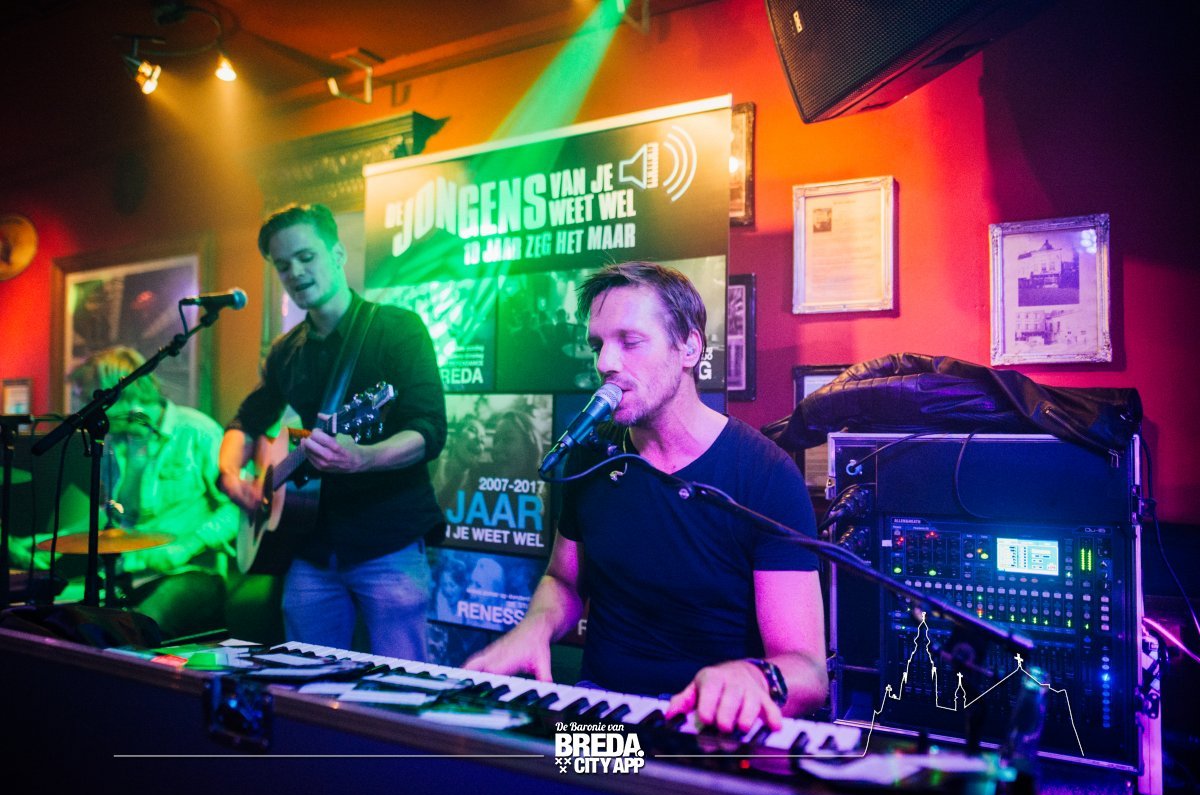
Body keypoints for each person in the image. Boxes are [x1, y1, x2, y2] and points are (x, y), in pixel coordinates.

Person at [465, 261, 828, 734]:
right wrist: (536, 626)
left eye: (630, 341)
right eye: (597, 345)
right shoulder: (592, 456)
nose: (604, 363)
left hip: (707, 729)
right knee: (509, 768)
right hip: (601, 716)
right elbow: (564, 580)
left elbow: (808, 670)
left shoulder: (765, 474)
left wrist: (754, 677)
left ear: (689, 348)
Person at [218, 203, 447, 660]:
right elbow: (246, 420)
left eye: (306, 257)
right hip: (309, 548)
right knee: (305, 681)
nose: (295, 272)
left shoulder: (397, 328)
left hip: (388, 541)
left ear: (338, 254)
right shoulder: (286, 351)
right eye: (283, 265)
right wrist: (229, 475)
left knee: (401, 681)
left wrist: (363, 457)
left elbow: (428, 429)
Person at [50, 347, 238, 640]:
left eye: (88, 399)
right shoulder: (113, 443)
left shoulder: (196, 431)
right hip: (129, 574)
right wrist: (50, 542)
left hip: (190, 573)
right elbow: (111, 516)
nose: (84, 410)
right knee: (65, 622)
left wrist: (188, 545)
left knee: (133, 631)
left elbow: (236, 507)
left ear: (115, 395)